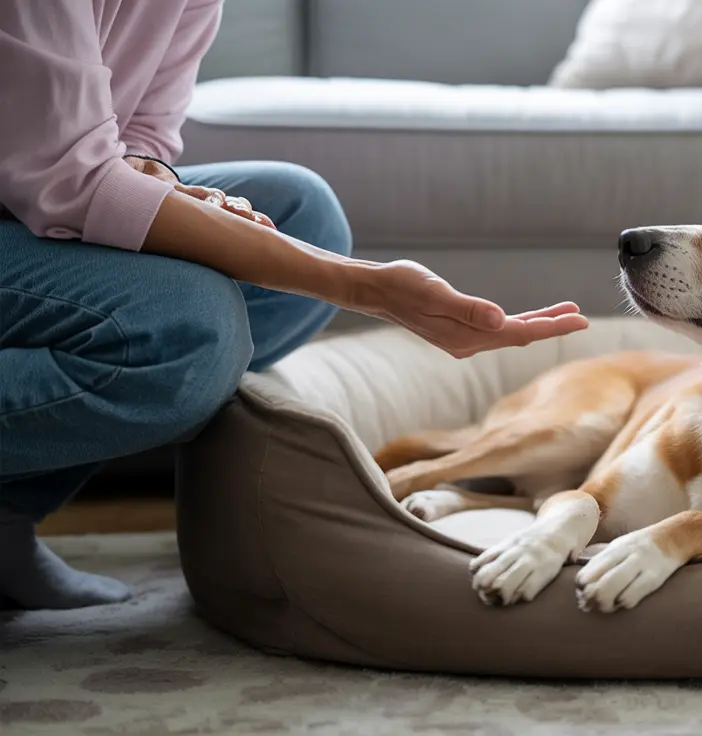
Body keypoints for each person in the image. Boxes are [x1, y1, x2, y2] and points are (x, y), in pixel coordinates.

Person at [0, 1, 589, 610]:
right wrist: (365, 287)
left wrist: (165, 182)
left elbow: (137, 139)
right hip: (39, 189)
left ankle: (8, 515)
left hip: (28, 195)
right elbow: (67, 179)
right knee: (190, 330)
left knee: (302, 213)